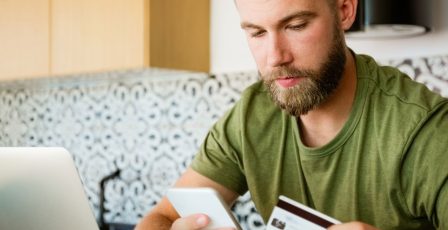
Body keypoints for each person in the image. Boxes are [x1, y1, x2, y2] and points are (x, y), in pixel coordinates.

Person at [135, 0, 448, 229]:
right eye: (256, 33)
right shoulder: (250, 117)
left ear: (344, 10)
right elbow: (161, 217)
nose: (275, 57)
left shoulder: (426, 130)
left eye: (296, 26)